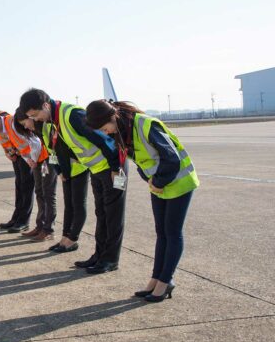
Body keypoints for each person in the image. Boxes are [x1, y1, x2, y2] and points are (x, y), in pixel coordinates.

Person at [85, 99, 199, 302]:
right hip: (160, 185)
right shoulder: (123, 132)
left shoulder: (145, 124)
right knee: (161, 233)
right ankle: (156, 279)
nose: (105, 133)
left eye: (104, 128)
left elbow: (172, 158)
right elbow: (142, 160)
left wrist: (159, 181)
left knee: (172, 233)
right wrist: (151, 180)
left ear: (113, 117)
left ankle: (165, 281)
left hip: (179, 182)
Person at [17, 88, 125, 274]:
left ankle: (110, 259)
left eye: (35, 115)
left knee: (113, 216)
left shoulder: (72, 115)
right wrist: (61, 169)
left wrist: (116, 168)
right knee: (102, 214)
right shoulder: (55, 121)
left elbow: (105, 140)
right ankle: (99, 256)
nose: (35, 120)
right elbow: (59, 151)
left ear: (45, 105)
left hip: (112, 169)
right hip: (97, 169)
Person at [0, 110, 43, 233]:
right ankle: (16, 218)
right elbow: (6, 142)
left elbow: (32, 141)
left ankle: (23, 221)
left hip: (30, 157)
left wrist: (30, 158)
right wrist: (8, 152)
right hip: (19, 157)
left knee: (27, 187)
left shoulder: (12, 122)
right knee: (19, 186)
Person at [14, 116, 57, 241]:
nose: (25, 126)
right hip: (39, 162)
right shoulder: (33, 129)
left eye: (24, 122)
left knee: (48, 194)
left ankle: (48, 230)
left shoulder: (44, 125)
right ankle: (40, 226)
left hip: (48, 160)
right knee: (39, 192)